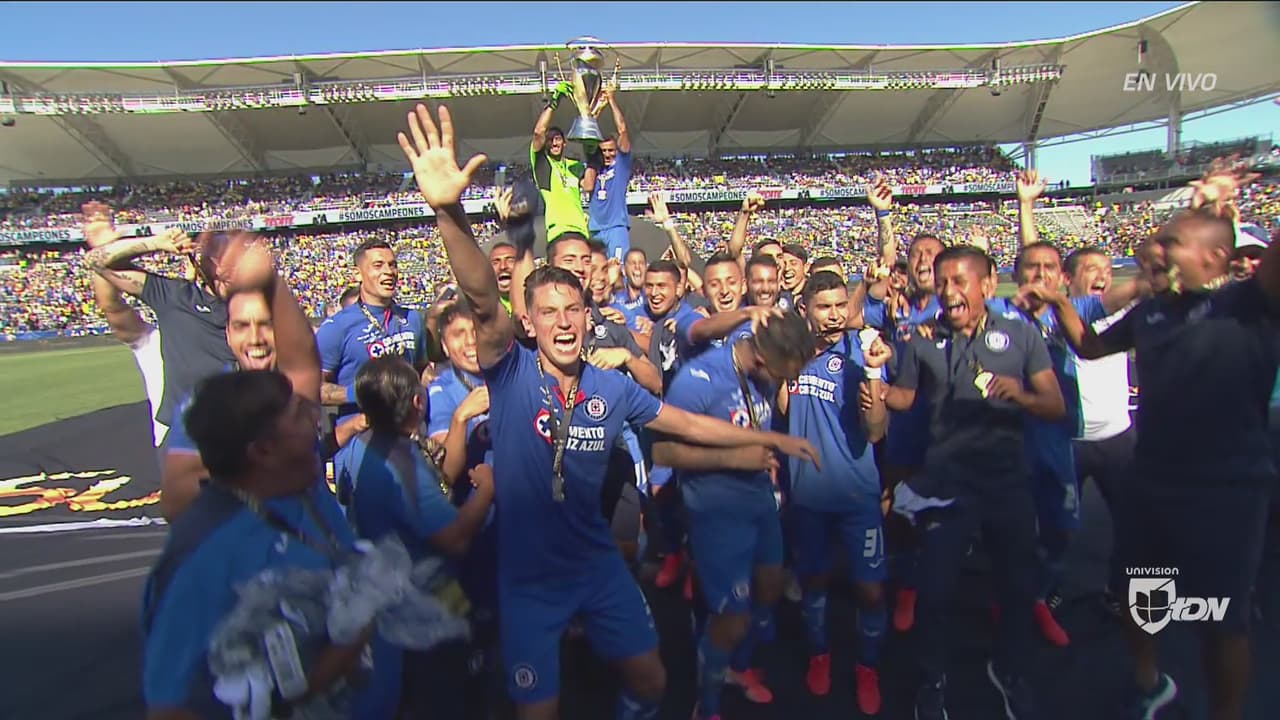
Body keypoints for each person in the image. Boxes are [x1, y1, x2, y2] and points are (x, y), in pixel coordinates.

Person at [395, 102, 818, 720]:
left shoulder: (609, 385)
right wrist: (448, 213)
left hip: (598, 564)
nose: (563, 323)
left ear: (588, 316)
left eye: (573, 311)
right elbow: (484, 299)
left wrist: (773, 443)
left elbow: (680, 422)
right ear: (530, 324)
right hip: (530, 577)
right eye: (549, 313)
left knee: (649, 682)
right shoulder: (510, 373)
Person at [1025, 171, 1279, 720]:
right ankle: (1149, 681)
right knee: (1143, 589)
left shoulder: (1249, 305)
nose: (1154, 251)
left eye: (1171, 244)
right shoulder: (1153, 310)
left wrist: (1229, 208)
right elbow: (1090, 347)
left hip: (1228, 489)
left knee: (1224, 618)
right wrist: (1058, 303)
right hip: (1154, 477)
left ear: (1213, 260)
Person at [877, 245, 1065, 720]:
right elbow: (904, 397)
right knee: (936, 591)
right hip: (945, 484)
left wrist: (1019, 395)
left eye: (960, 281)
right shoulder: (921, 340)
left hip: (1006, 483)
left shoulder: (1022, 337)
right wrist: (876, 388)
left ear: (987, 284)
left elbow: (1054, 405)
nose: (948, 291)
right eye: (942, 282)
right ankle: (932, 679)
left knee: (1017, 587)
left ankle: (1011, 669)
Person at [141, 370, 379, 720]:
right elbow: (170, 708)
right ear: (264, 451)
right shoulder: (201, 556)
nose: (316, 419)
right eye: (299, 415)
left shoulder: (298, 494)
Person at [653, 310, 816, 719]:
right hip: (715, 511)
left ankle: (735, 670)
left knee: (770, 586)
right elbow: (663, 452)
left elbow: (758, 320)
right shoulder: (697, 381)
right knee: (732, 620)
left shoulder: (759, 344)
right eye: (786, 374)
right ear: (762, 360)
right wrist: (737, 457)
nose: (789, 382)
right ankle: (705, 705)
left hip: (759, 500)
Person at [341, 355, 496, 720]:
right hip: (426, 604)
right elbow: (455, 538)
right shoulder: (402, 466)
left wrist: (458, 419)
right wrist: (488, 489)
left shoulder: (361, 447)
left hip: (385, 595)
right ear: (417, 402)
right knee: (446, 695)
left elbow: (437, 475)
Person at [784, 271, 891, 715]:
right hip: (808, 499)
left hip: (856, 499)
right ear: (805, 309)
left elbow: (876, 430)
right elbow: (782, 408)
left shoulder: (860, 352)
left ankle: (868, 667)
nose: (833, 314)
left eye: (839, 305)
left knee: (869, 591)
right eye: (823, 306)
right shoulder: (792, 353)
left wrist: (871, 374)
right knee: (814, 582)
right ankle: (820, 653)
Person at [83, 215, 252, 455]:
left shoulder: (255, 306)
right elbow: (96, 261)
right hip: (187, 440)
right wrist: (155, 243)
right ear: (204, 264)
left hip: (243, 437)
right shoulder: (176, 297)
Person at [317, 238, 427, 503]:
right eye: (378, 265)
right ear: (359, 273)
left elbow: (421, 372)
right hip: (359, 442)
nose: (388, 272)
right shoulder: (337, 328)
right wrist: (360, 395)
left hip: (407, 441)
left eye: (392, 265)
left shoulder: (412, 319)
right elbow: (312, 388)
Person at [80, 202, 169, 450]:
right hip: (179, 453)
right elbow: (111, 305)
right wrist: (104, 247)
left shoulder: (248, 337)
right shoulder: (155, 343)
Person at [530, 84, 597, 243]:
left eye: (558, 139)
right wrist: (554, 102)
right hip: (558, 231)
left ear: (564, 143)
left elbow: (588, 185)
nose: (554, 143)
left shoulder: (575, 166)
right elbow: (539, 132)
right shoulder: (542, 165)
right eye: (550, 140)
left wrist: (591, 152)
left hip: (581, 230)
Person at [588, 88, 634, 261]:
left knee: (619, 270)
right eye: (604, 151)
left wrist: (612, 101)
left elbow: (622, 130)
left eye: (611, 150)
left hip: (616, 228)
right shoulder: (593, 167)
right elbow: (586, 134)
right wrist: (597, 108)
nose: (607, 154)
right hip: (595, 229)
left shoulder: (621, 166)